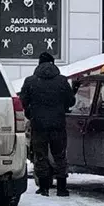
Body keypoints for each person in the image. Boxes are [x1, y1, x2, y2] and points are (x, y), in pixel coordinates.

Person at [19, 51, 75, 197]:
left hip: (39, 125)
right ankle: (62, 188)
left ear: (38, 64)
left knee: (40, 155)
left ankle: (44, 187)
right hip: (58, 124)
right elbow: (71, 101)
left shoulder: (30, 81)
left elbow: (23, 102)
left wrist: (31, 112)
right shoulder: (62, 81)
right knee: (60, 155)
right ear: (53, 63)